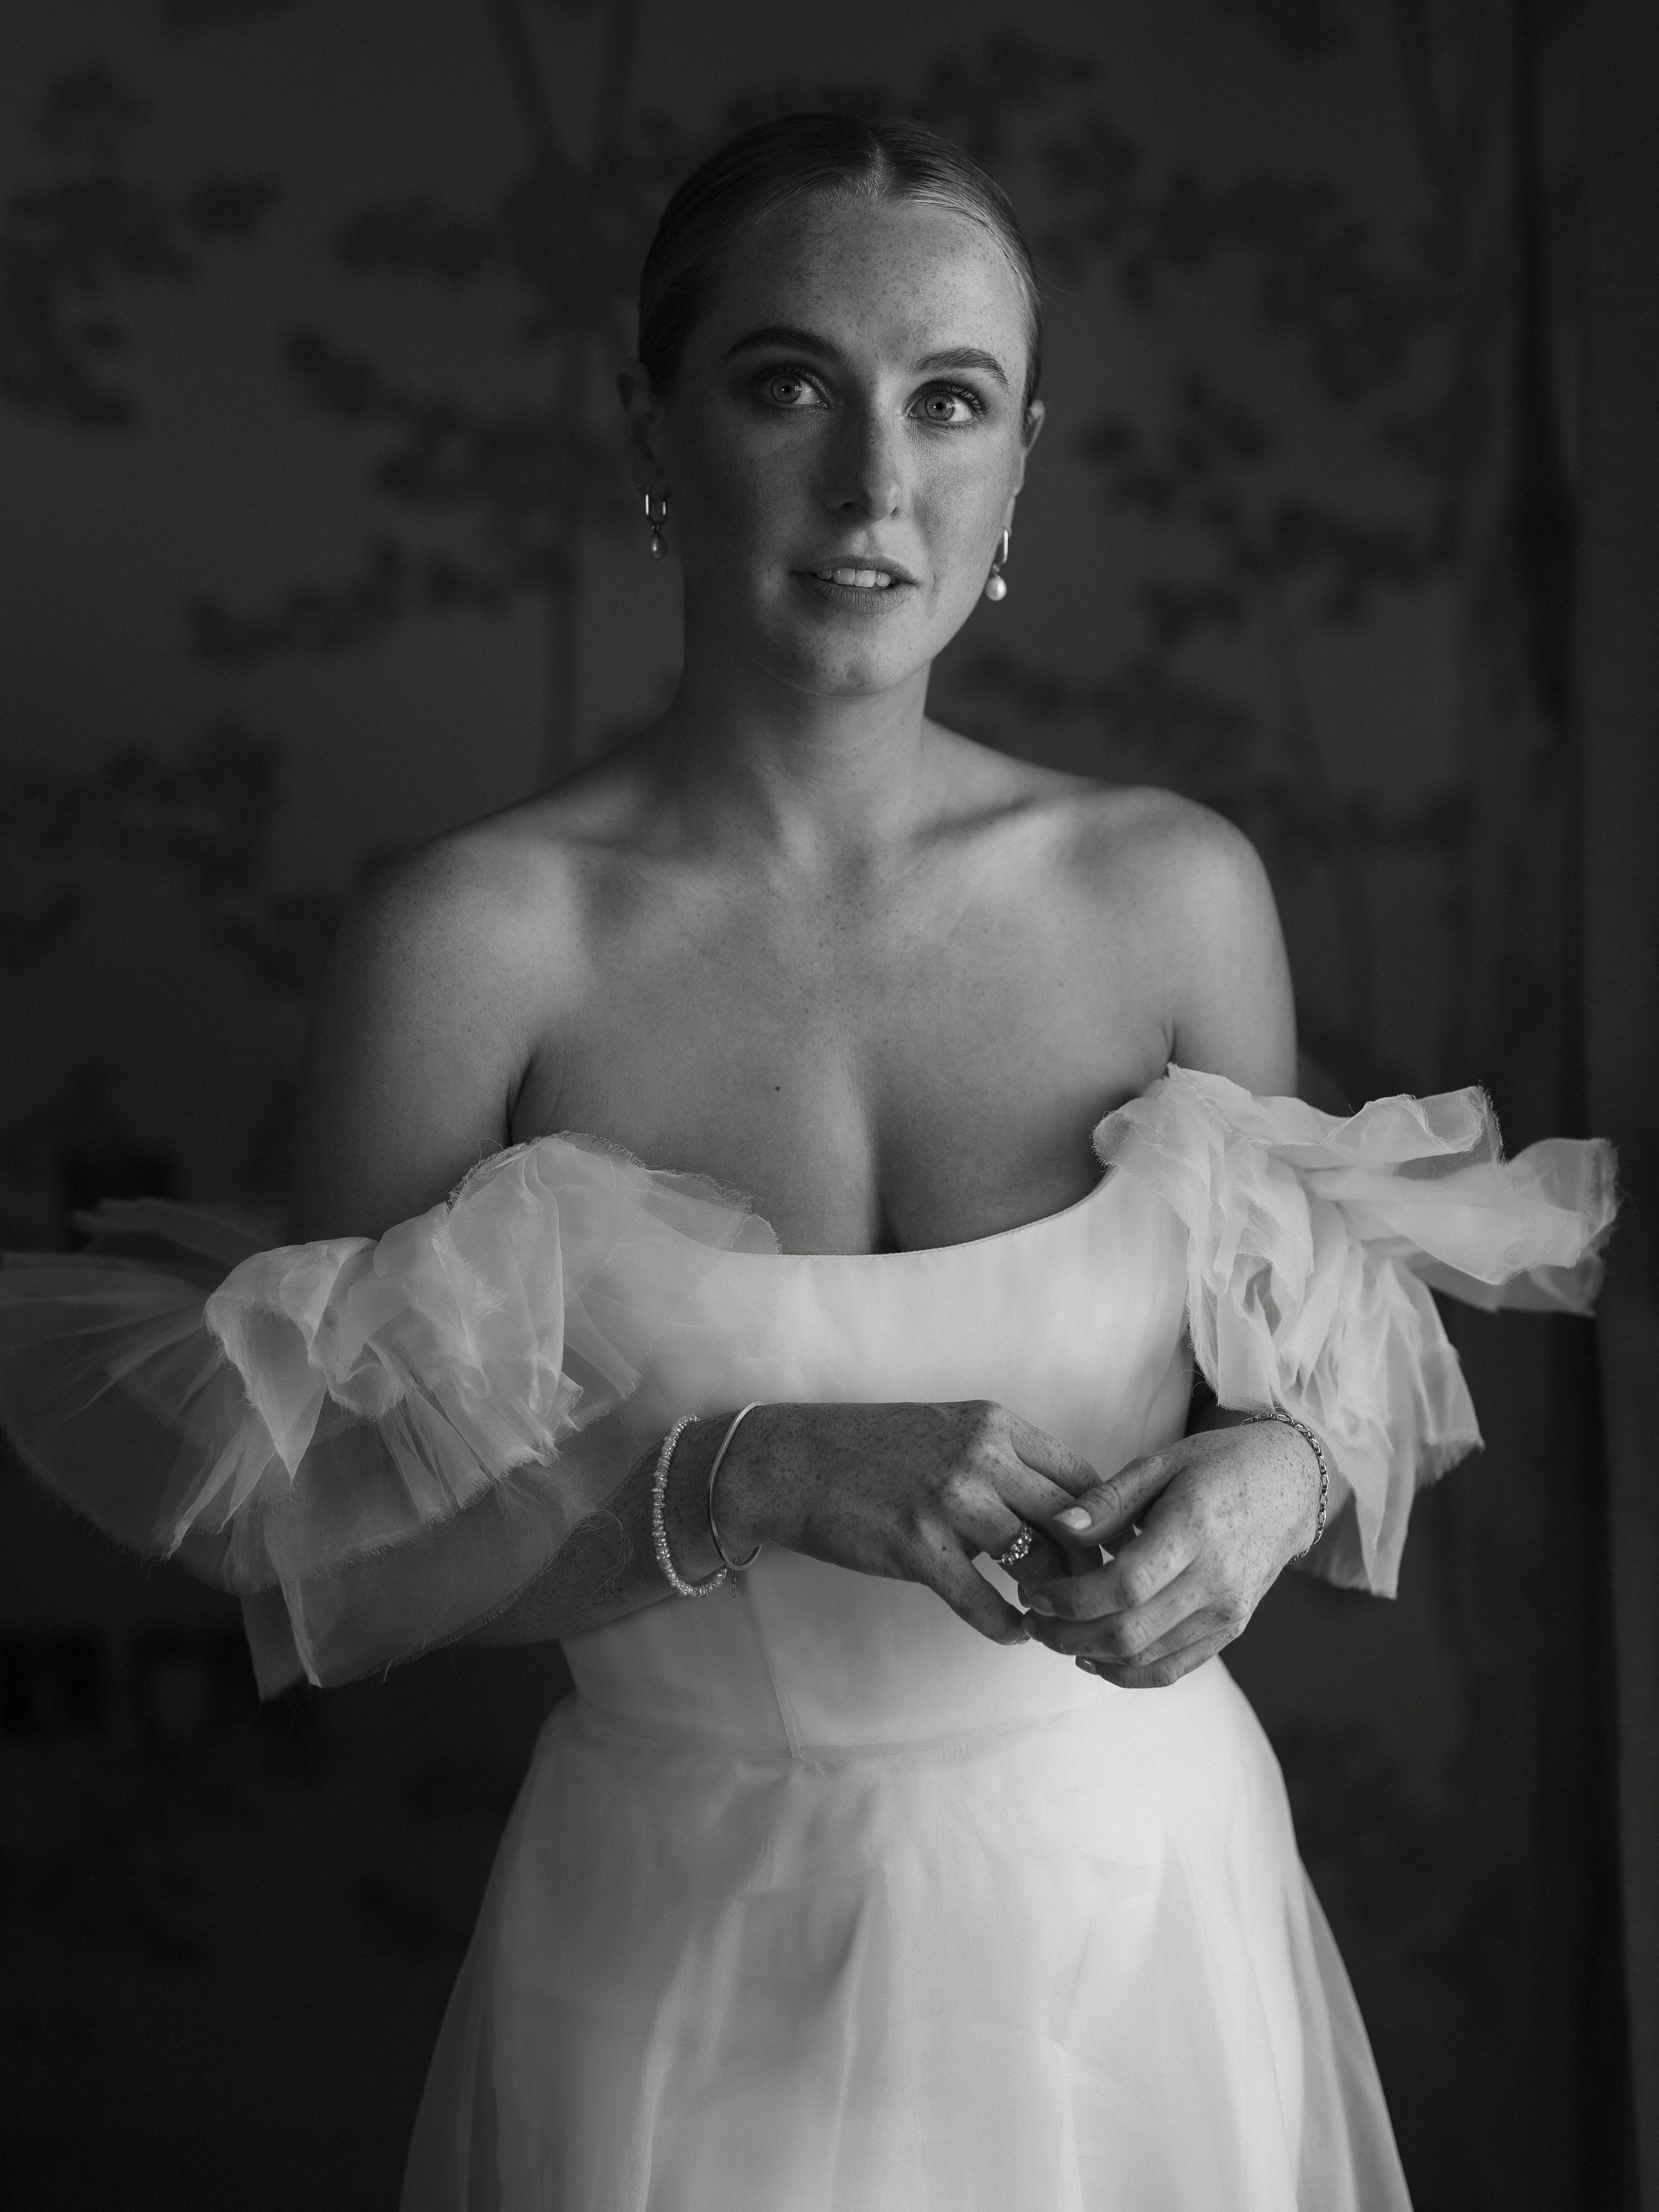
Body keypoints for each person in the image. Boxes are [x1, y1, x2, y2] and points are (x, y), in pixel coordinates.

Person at [0, 116, 1616, 2212]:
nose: (876, 488)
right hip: (678, 1949)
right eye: (788, 385)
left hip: (1138, 1924)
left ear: (1019, 462)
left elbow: (1289, 1357)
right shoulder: (477, 948)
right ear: (650, 428)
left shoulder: (1168, 894)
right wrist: (743, 1472)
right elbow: (340, 1555)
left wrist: (1276, 1477)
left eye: (949, 403)